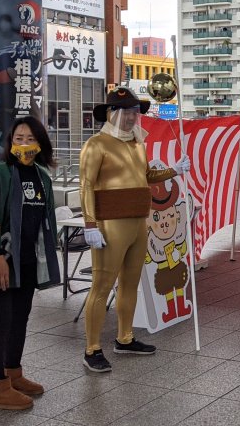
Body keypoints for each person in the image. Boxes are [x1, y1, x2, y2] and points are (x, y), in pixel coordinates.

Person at [79, 87, 190, 372]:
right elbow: (86, 185)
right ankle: (92, 348)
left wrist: (173, 170)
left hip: (139, 221)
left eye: (134, 112)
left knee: (130, 284)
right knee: (102, 287)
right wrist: (90, 223)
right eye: (126, 112)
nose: (132, 117)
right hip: (109, 224)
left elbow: (146, 176)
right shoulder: (96, 144)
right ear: (112, 114)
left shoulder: (137, 144)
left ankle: (125, 337)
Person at [0, 116, 62, 410]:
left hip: (26, 264)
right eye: (18, 139)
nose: (24, 144)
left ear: (40, 144)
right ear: (10, 143)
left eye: (30, 139)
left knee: (18, 321)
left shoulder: (42, 177)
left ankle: (13, 375)